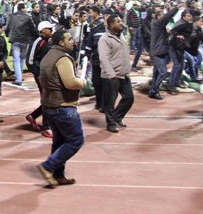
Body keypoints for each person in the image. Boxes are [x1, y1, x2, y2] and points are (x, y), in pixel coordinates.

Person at [36, 29, 86, 187]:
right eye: (69, 39)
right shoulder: (62, 58)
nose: (72, 41)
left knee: (59, 141)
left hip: (49, 106)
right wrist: (82, 82)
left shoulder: (47, 57)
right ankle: (48, 166)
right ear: (60, 42)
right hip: (63, 107)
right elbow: (70, 83)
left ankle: (58, 175)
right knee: (76, 140)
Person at [98, 14, 133, 133]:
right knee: (110, 102)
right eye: (118, 21)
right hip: (111, 76)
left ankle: (117, 117)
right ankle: (111, 123)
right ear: (111, 24)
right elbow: (104, 58)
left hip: (123, 74)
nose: (121, 23)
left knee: (129, 98)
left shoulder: (121, 35)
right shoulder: (104, 39)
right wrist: (111, 74)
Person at [25, 20, 54, 137]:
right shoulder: (38, 42)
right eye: (49, 29)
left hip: (48, 75)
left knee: (50, 98)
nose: (51, 30)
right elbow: (29, 60)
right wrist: (37, 74)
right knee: (47, 99)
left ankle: (33, 116)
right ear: (43, 30)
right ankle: (46, 127)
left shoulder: (47, 42)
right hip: (41, 75)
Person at [148, 4, 181, 99]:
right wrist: (176, 8)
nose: (164, 16)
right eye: (162, 14)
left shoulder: (158, 25)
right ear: (158, 16)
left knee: (156, 73)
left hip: (160, 51)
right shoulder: (157, 23)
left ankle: (152, 91)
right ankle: (154, 90)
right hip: (157, 52)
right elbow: (167, 17)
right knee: (163, 72)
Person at [5, 3, 38, 86]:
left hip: (15, 39)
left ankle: (18, 78)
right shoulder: (27, 17)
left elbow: (7, 27)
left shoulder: (12, 16)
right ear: (23, 8)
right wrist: (37, 36)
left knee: (16, 60)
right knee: (22, 59)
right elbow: (33, 28)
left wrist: (7, 34)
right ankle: (19, 77)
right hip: (25, 40)